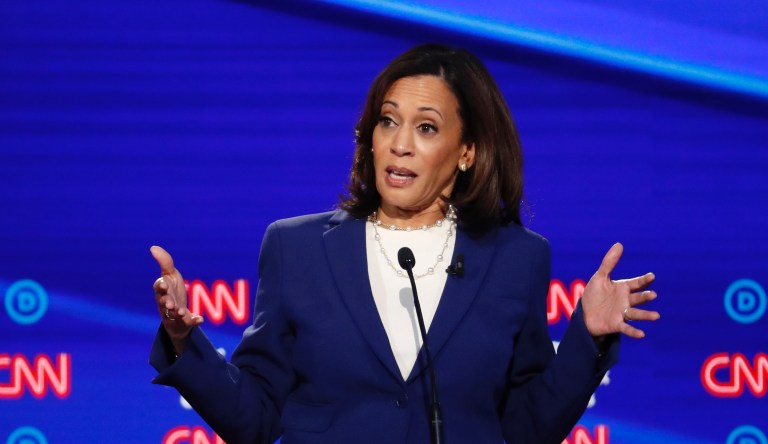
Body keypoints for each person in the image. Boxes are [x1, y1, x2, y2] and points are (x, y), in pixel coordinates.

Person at [149, 44, 660, 444]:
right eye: (388, 121)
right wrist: (180, 339)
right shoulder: (296, 248)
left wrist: (586, 336)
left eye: (426, 127)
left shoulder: (516, 259)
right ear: (369, 137)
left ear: (466, 152)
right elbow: (253, 421)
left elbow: (529, 428)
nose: (400, 143)